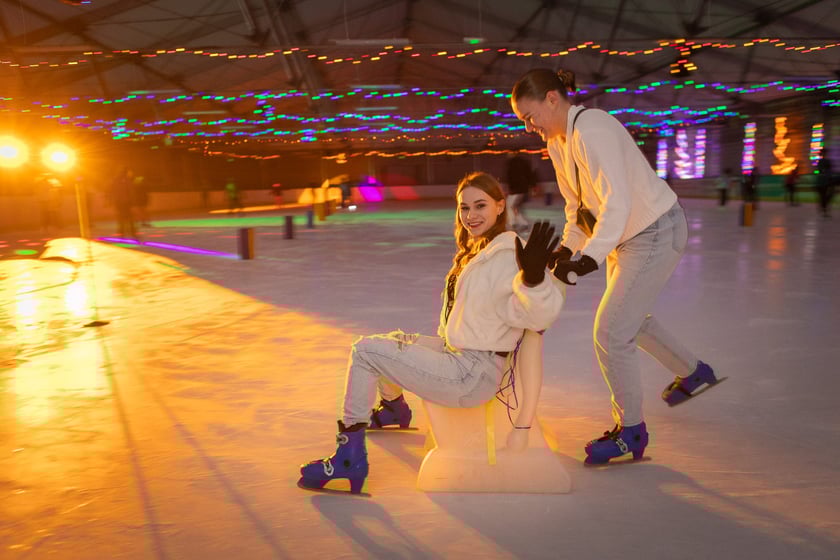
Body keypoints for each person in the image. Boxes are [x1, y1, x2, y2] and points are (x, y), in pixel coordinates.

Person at [298, 171, 566, 493]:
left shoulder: (508, 256)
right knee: (389, 343)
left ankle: (348, 457)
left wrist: (533, 280)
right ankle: (395, 408)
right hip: (457, 352)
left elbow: (537, 316)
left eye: (480, 206)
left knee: (366, 351)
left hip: (471, 373)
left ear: (500, 206)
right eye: (464, 208)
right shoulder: (481, 248)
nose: (470, 216)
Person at [511, 68, 721, 465]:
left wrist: (588, 258)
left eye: (529, 114)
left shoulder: (594, 128)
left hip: (655, 230)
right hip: (626, 239)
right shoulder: (559, 143)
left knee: (611, 331)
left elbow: (617, 202)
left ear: (552, 99)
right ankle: (694, 373)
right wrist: (567, 249)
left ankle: (631, 433)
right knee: (629, 319)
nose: (529, 125)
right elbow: (577, 209)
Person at [505, 153, 535, 233]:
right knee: (513, 207)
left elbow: (510, 177)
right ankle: (520, 222)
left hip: (516, 189)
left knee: (510, 206)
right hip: (522, 189)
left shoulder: (512, 164)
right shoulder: (523, 163)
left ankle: (514, 222)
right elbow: (530, 175)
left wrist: (510, 189)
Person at [111, 167, 137, 239]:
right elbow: (131, 191)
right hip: (126, 202)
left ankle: (122, 231)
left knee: (121, 217)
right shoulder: (127, 180)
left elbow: (113, 192)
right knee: (129, 217)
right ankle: (131, 231)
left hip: (119, 202)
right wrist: (133, 201)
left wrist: (114, 201)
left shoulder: (115, 180)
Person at [816, 150, 833, 217]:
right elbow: (828, 171)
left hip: (824, 182)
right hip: (823, 182)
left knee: (824, 196)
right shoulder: (823, 161)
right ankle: (824, 209)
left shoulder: (823, 161)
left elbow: (828, 171)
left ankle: (824, 209)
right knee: (823, 196)